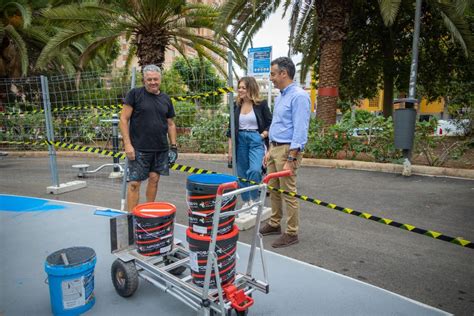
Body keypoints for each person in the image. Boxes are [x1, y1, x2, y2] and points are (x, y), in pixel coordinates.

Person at [259, 57, 310, 248]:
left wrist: (291, 158)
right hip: (275, 148)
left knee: (288, 192)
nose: (271, 78)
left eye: (273, 74)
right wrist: (270, 149)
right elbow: (277, 124)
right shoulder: (281, 95)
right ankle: (274, 223)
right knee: (273, 189)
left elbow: (300, 130)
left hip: (288, 149)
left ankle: (291, 232)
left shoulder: (299, 96)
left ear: (284, 73)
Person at [119, 64, 178, 212]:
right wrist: (127, 144)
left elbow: (170, 124)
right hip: (138, 148)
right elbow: (123, 119)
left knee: (154, 180)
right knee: (134, 184)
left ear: (160, 79)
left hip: (160, 149)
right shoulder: (134, 94)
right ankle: (132, 217)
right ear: (144, 80)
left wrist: (174, 146)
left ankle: (147, 213)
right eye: (149, 79)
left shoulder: (166, 99)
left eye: (155, 79)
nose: (153, 82)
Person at [227, 76, 272, 214]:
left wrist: (262, 135)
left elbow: (271, 123)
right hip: (240, 140)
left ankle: (255, 200)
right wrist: (230, 150)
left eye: (243, 88)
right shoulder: (236, 105)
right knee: (241, 173)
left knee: (254, 170)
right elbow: (231, 129)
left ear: (251, 89)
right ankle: (247, 202)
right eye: (239, 87)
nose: (240, 90)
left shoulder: (261, 104)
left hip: (255, 139)